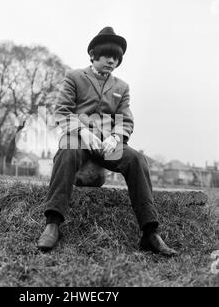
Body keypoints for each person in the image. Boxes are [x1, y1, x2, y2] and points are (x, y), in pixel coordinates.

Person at [37, 27, 177, 257]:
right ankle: (52, 224)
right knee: (67, 152)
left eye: (116, 58)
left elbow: (126, 119)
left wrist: (116, 137)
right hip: (78, 139)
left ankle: (150, 232)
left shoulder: (122, 87)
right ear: (93, 54)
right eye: (106, 55)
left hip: (106, 146)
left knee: (136, 159)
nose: (111, 61)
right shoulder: (74, 77)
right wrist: (82, 131)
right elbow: (62, 111)